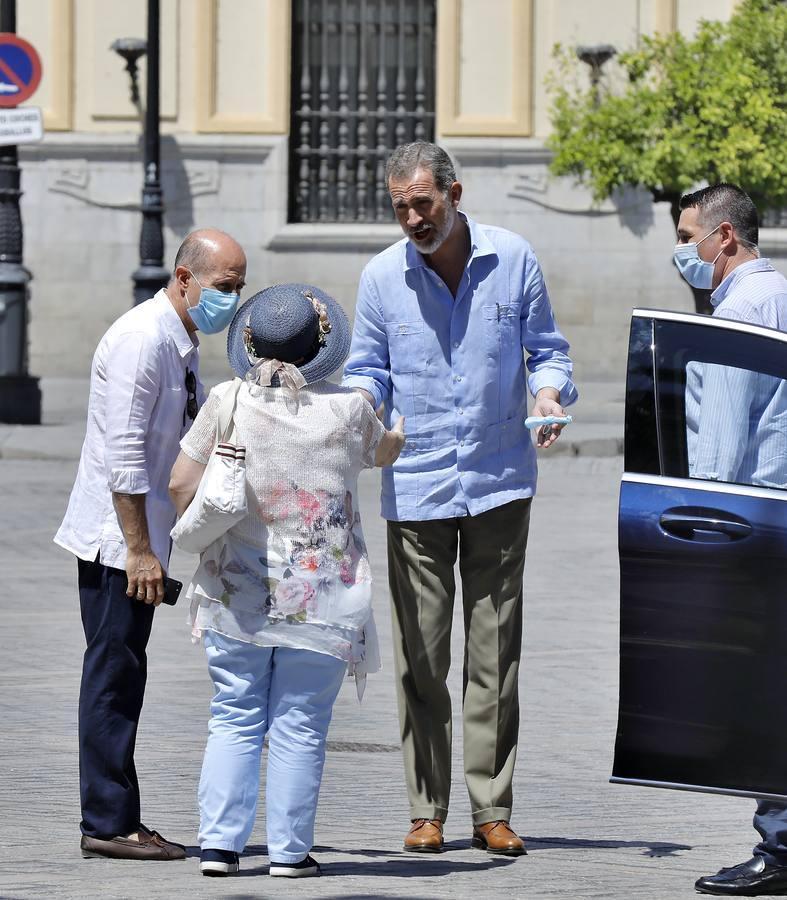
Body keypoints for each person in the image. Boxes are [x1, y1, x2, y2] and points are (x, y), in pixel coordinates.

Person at [342, 141, 577, 856]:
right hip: (415, 486)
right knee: (421, 657)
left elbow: (549, 349)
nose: (412, 217)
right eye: (400, 206)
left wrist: (547, 392)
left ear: (454, 192)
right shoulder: (381, 277)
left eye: (423, 202)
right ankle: (426, 809)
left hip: (500, 478)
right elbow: (368, 369)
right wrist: (360, 410)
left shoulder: (513, 258)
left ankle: (490, 808)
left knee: (493, 654)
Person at [168, 283, 405, 879]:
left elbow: (178, 484)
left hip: (233, 592)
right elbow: (383, 453)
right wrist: (396, 434)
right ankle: (289, 854)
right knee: (300, 725)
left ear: (250, 341)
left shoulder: (226, 400)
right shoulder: (350, 410)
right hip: (323, 598)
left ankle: (220, 849)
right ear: (321, 345)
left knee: (234, 714)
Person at [54, 228, 247, 860]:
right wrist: (139, 551)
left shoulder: (180, 337)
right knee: (113, 677)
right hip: (119, 543)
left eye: (240, 287)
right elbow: (125, 456)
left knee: (125, 674)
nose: (233, 298)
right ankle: (108, 824)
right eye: (225, 286)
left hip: (144, 538)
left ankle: (116, 816)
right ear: (185, 278)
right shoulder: (144, 340)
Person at [672, 183, 787, 897]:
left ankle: (777, 848)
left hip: (753, 526)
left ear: (722, 238)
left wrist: (699, 540)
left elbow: (717, 445)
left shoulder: (737, 310)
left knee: (760, 696)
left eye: (686, 237)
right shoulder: (780, 294)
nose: (680, 252)